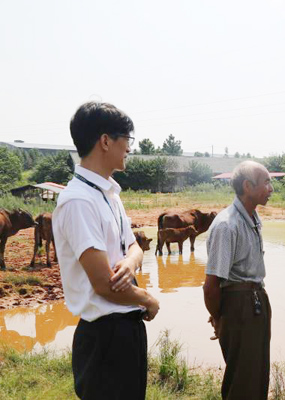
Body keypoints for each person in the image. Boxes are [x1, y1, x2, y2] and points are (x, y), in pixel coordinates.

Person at [53, 102, 160, 400]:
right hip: (105, 336)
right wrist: (148, 300)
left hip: (126, 330)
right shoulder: (79, 201)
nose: (129, 148)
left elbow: (135, 246)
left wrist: (129, 262)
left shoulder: (109, 194)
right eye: (127, 139)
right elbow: (104, 285)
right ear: (105, 141)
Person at [203, 160, 274, 400]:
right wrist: (218, 318)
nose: (271, 188)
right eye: (266, 182)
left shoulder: (251, 218)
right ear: (247, 186)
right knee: (242, 379)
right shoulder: (227, 225)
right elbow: (211, 285)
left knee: (257, 372)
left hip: (255, 301)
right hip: (239, 305)